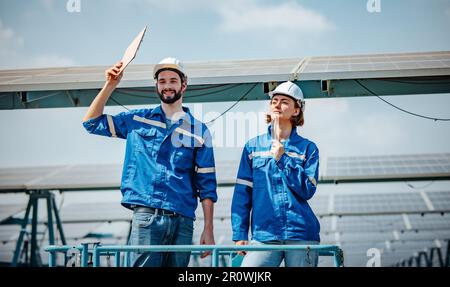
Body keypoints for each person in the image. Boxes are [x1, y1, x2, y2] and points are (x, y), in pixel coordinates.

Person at [82, 57, 217, 267]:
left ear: (184, 85)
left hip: (183, 220)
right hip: (146, 216)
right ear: (156, 85)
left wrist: (208, 228)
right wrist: (111, 84)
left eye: (173, 80)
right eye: (162, 81)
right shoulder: (137, 120)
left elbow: (207, 184)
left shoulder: (199, 131)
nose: (167, 86)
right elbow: (91, 123)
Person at [231, 81, 320, 267]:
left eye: (284, 101)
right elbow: (242, 193)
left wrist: (283, 158)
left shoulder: (308, 148)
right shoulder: (252, 147)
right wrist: (240, 234)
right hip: (264, 234)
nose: (277, 104)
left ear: (296, 110)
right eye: (274, 101)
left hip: (300, 233)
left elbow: (308, 190)